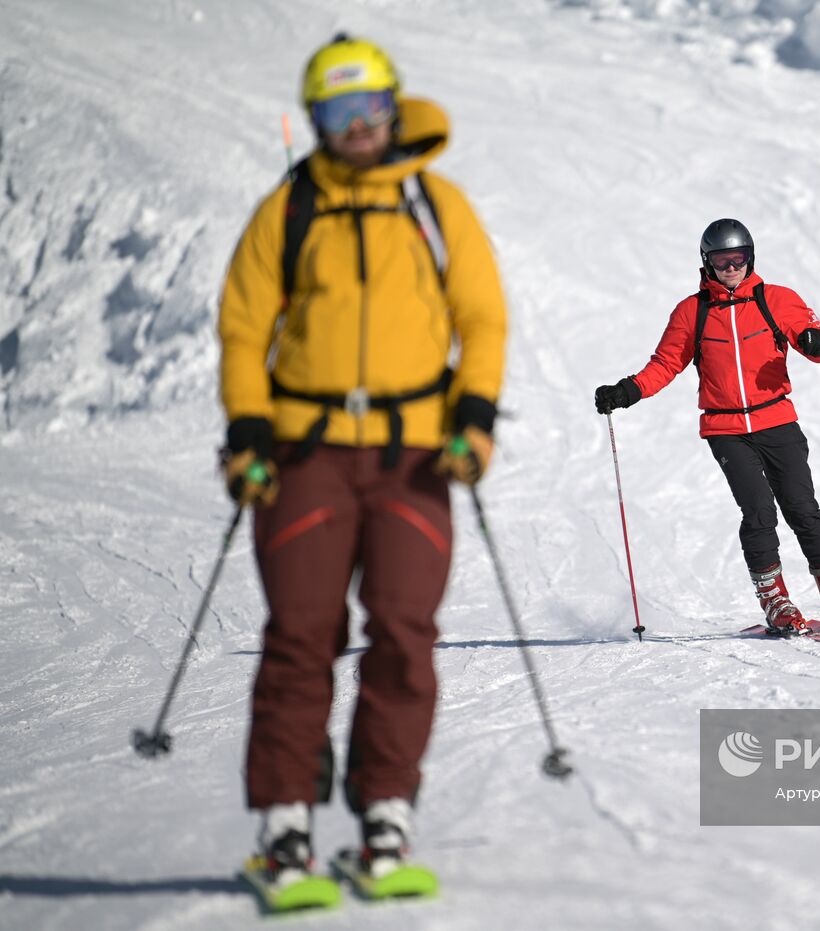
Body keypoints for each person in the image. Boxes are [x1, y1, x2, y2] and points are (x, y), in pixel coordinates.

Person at [218, 34, 507, 885]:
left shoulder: (432, 202)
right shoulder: (289, 207)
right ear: (316, 119)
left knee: (405, 631)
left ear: (392, 106)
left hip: (417, 453)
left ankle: (386, 815)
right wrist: (247, 433)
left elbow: (482, 318)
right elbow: (243, 326)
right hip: (305, 454)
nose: (357, 126)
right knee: (302, 636)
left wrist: (475, 422)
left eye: (370, 107)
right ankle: (285, 825)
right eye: (339, 112)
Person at [594, 219, 820, 634]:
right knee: (759, 511)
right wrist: (629, 390)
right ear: (707, 263)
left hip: (777, 419)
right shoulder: (692, 311)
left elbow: (810, 337)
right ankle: (775, 600)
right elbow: (667, 363)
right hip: (726, 430)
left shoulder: (776, 299)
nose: (731, 268)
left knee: (803, 508)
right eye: (722, 260)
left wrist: (816, 343)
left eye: (738, 258)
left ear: (750, 257)